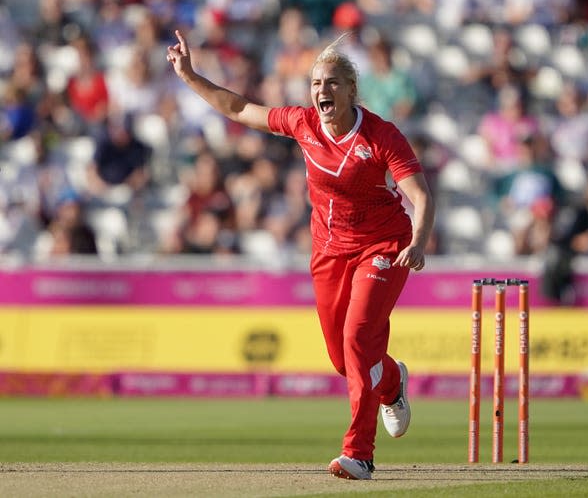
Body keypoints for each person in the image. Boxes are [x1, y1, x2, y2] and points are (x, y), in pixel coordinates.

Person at [167, 29, 435, 480]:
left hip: (384, 246)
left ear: (351, 90)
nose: (321, 91)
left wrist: (420, 241)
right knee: (342, 357)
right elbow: (237, 108)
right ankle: (391, 383)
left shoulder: (381, 136)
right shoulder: (303, 122)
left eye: (331, 83)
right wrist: (191, 76)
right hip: (329, 250)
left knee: (358, 338)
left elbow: (421, 197)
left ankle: (359, 454)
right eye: (315, 83)